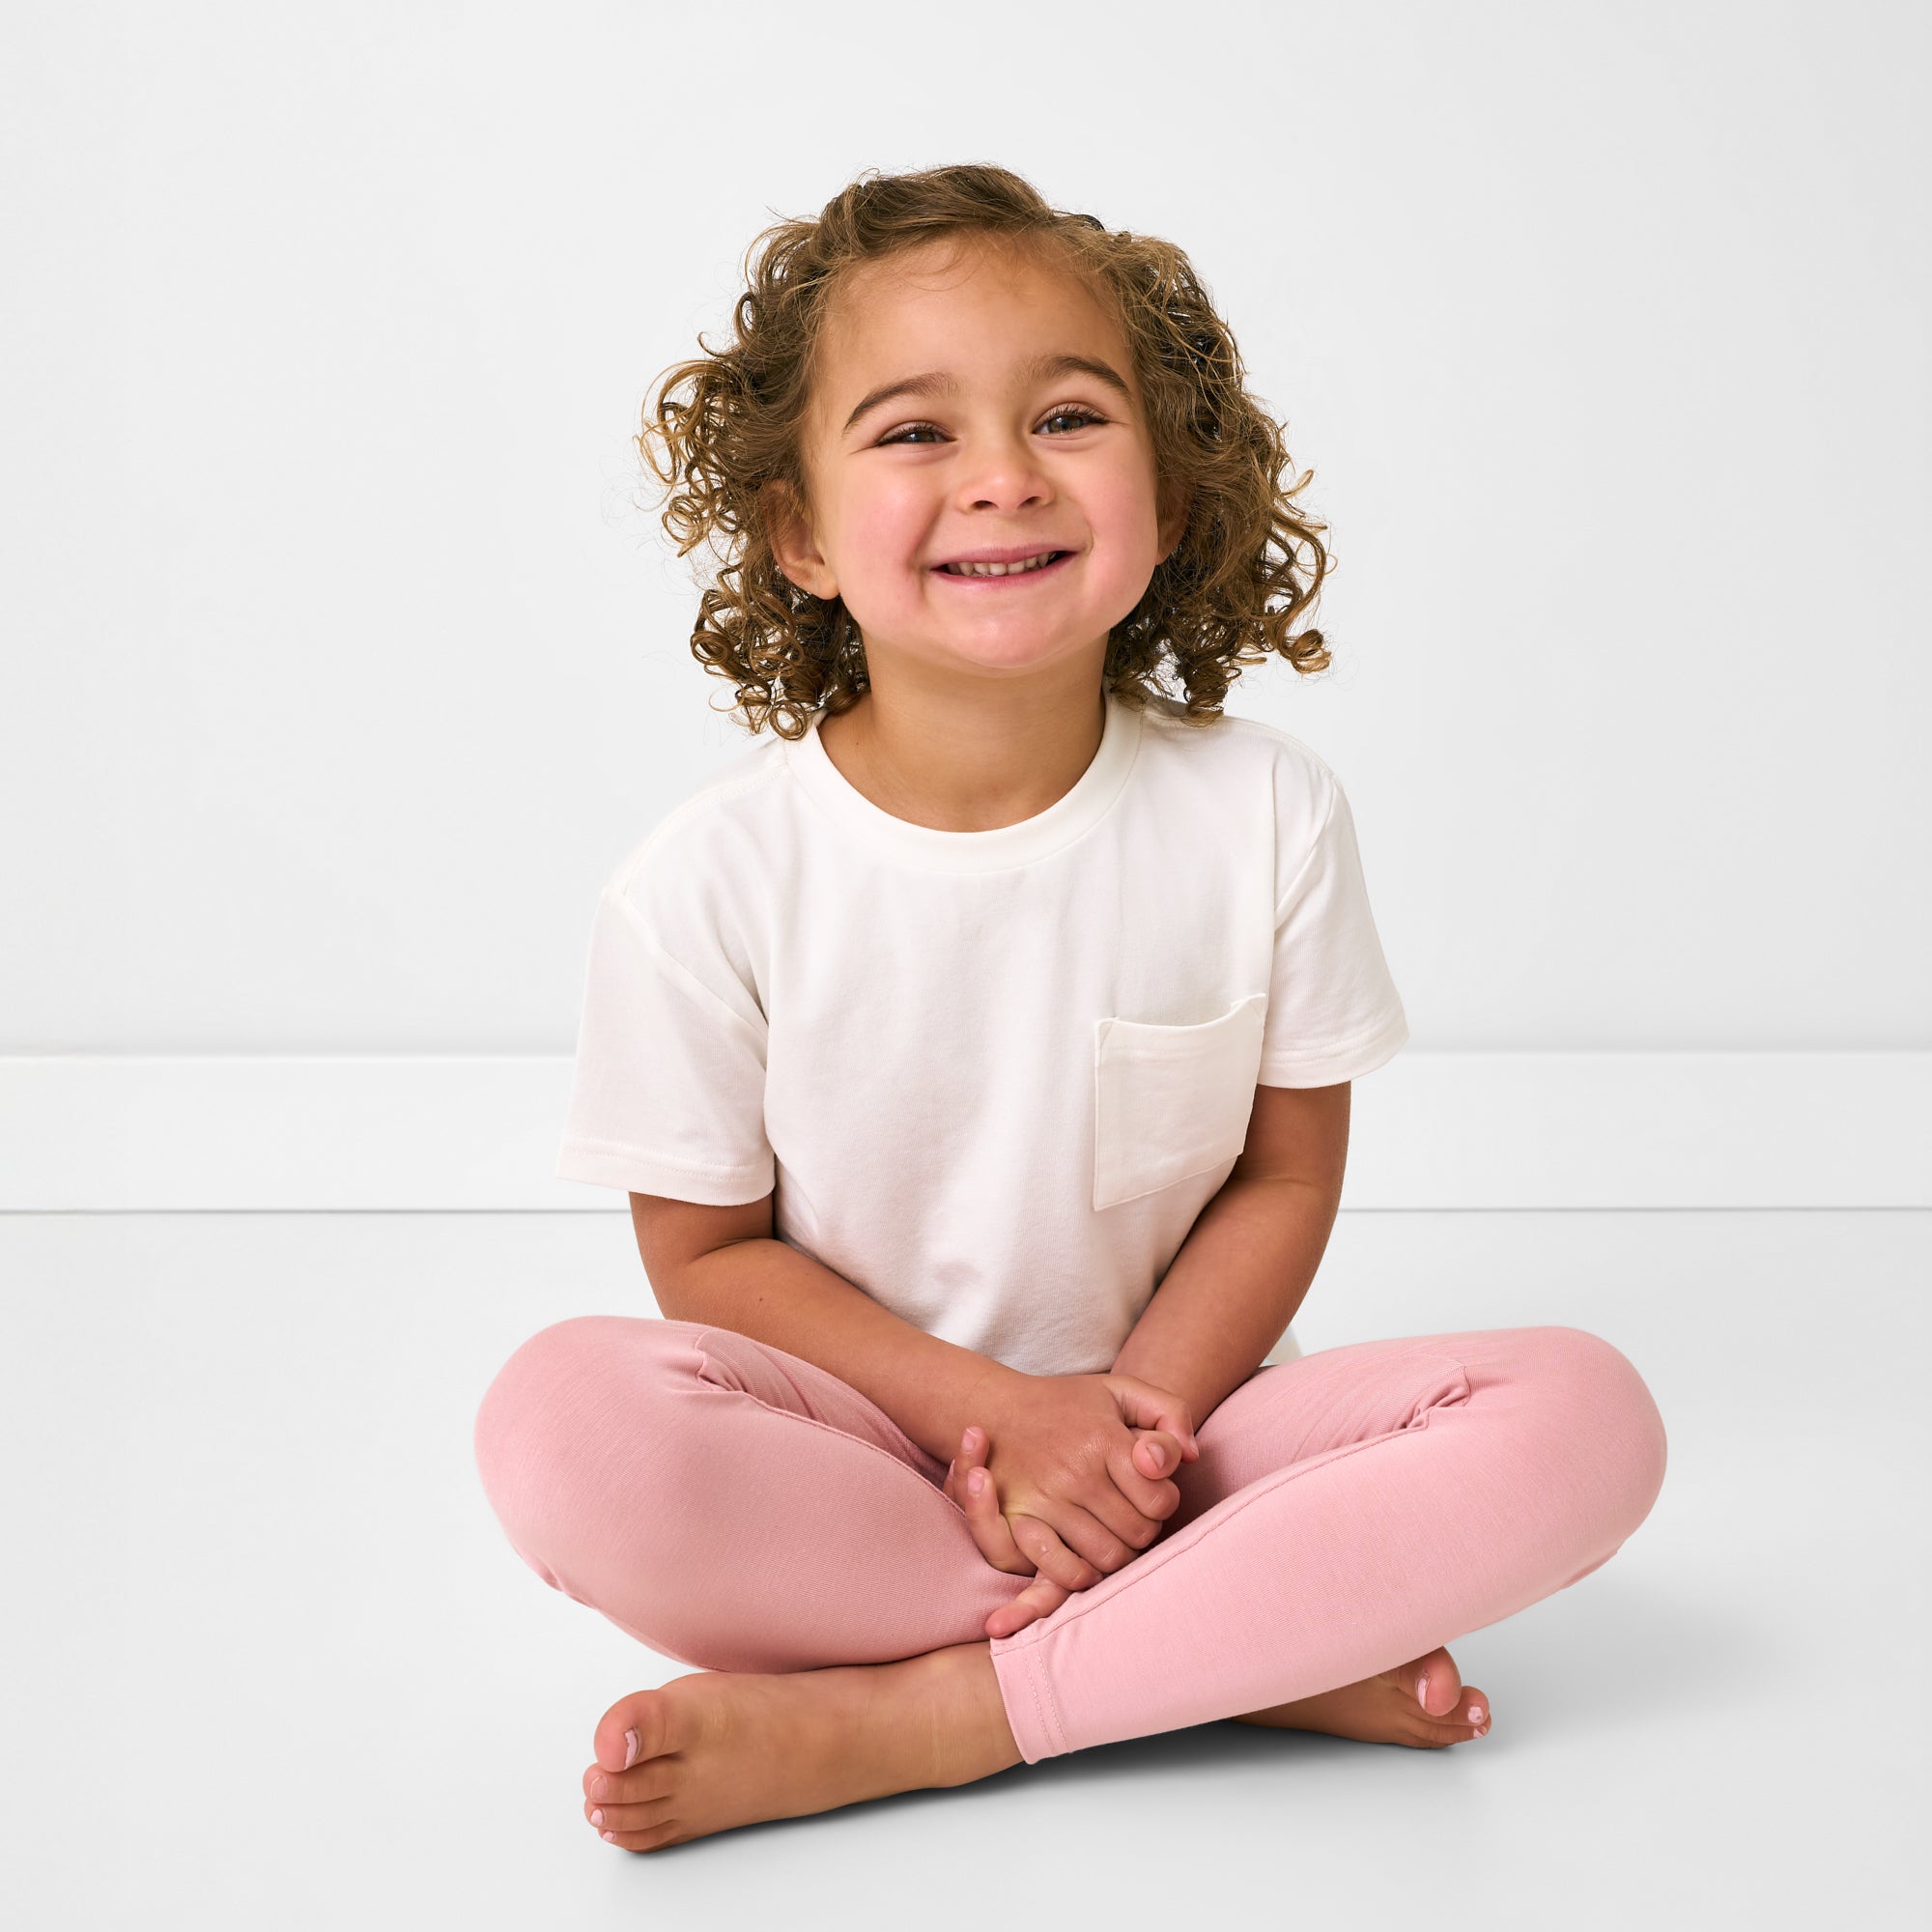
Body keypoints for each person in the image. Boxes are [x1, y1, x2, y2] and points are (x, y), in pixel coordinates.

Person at [472, 162, 1669, 1854]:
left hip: (1200, 1432)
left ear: (1171, 501)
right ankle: (1226, 1651)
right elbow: (708, 1260)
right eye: (912, 433)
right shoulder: (702, 885)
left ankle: (945, 1714)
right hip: (867, 1458)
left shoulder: (1267, 814)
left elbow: (1282, 1179)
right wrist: (1002, 1421)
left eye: (1069, 416)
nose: (1002, 478)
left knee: (1587, 1420)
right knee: (562, 1424)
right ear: (800, 533)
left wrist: (1128, 1440)